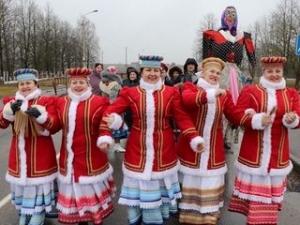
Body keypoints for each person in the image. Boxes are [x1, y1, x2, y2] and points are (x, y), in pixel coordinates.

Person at [100, 55, 204, 225]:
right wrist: (113, 122)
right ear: (142, 72)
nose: (152, 73)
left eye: (156, 70)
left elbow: (182, 117)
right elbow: (110, 111)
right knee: (139, 196)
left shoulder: (170, 93)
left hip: (165, 150)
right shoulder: (130, 92)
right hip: (137, 149)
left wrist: (194, 138)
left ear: (161, 72)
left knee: (158, 199)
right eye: (148, 70)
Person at [228, 57, 300, 225]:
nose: (274, 74)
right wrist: (256, 120)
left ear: (282, 71)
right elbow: (237, 115)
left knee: (270, 203)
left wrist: (292, 118)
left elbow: (298, 116)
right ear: (263, 71)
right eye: (270, 71)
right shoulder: (250, 91)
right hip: (253, 153)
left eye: (277, 71)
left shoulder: (291, 94)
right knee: (256, 203)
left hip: (278, 155)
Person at [177, 57, 236, 225]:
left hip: (213, 150)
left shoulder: (225, 94)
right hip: (191, 148)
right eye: (212, 71)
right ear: (203, 72)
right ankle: (189, 216)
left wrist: (255, 117)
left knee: (211, 179)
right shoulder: (191, 88)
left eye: (218, 73)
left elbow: (234, 115)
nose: (215, 75)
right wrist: (211, 94)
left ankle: (209, 217)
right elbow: (188, 101)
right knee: (191, 180)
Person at [55, 68, 116, 225]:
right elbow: (54, 125)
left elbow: (105, 122)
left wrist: (105, 138)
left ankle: (95, 219)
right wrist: (41, 119)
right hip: (69, 158)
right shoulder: (62, 102)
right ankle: (81, 221)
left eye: (81, 82)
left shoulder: (98, 101)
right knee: (75, 196)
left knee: (91, 197)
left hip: (91, 157)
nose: (78, 85)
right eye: (74, 82)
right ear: (70, 84)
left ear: (87, 84)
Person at [0, 68, 60, 225]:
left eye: (28, 83)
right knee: (21, 191)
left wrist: (41, 116)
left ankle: (38, 215)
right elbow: (2, 123)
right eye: (21, 84)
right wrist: (7, 113)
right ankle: (24, 214)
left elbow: (54, 126)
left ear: (35, 83)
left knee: (39, 190)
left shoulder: (46, 101)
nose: (25, 86)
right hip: (18, 158)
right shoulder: (12, 102)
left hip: (41, 155)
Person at [202, 5, 256, 150]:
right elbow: (205, 58)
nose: (231, 16)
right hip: (219, 72)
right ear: (223, 16)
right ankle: (213, 134)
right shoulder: (212, 35)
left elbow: (252, 58)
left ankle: (227, 136)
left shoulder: (243, 36)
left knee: (236, 104)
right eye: (228, 14)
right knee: (218, 102)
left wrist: (253, 70)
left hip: (236, 75)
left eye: (233, 14)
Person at [100, 67, 128, 152]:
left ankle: (107, 143)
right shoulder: (115, 85)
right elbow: (113, 98)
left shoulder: (102, 85)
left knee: (106, 127)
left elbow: (103, 97)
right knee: (117, 127)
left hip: (105, 107)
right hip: (115, 108)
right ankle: (116, 144)